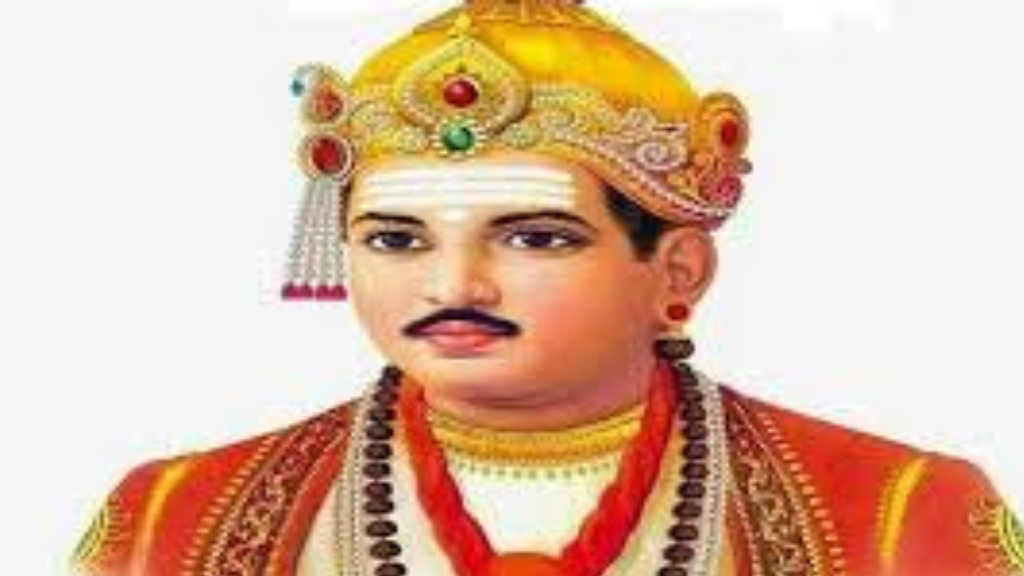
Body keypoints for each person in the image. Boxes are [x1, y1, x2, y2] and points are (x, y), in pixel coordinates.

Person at [71, 1, 1022, 575]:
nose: (453, 283)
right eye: (396, 239)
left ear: (678, 271)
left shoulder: (904, 514)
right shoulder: (170, 519)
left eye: (534, 237)